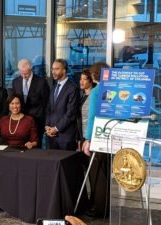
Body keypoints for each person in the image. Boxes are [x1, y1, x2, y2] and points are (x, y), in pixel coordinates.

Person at [81, 62, 110, 218]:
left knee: (97, 175)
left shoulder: (96, 91)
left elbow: (92, 117)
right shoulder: (113, 88)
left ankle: (100, 209)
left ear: (94, 75)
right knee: (106, 173)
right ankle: (106, 207)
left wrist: (87, 139)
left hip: (98, 137)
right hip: (111, 137)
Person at [12, 59, 50, 147]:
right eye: (21, 73)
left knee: (36, 146)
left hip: (37, 120)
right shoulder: (15, 82)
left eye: (26, 73)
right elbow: (14, 101)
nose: (24, 76)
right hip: (20, 120)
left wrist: (46, 122)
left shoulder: (41, 82)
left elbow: (47, 104)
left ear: (31, 69)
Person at [45, 59, 80, 150]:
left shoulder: (73, 88)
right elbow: (49, 109)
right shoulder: (53, 87)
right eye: (52, 69)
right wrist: (47, 126)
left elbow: (71, 114)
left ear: (64, 70)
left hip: (66, 137)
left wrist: (56, 128)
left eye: (57, 69)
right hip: (51, 136)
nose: (53, 72)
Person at [77, 69, 94, 150]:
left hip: (89, 136)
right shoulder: (82, 96)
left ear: (91, 81)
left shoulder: (93, 97)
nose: (81, 81)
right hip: (81, 135)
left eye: (85, 79)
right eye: (80, 79)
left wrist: (87, 139)